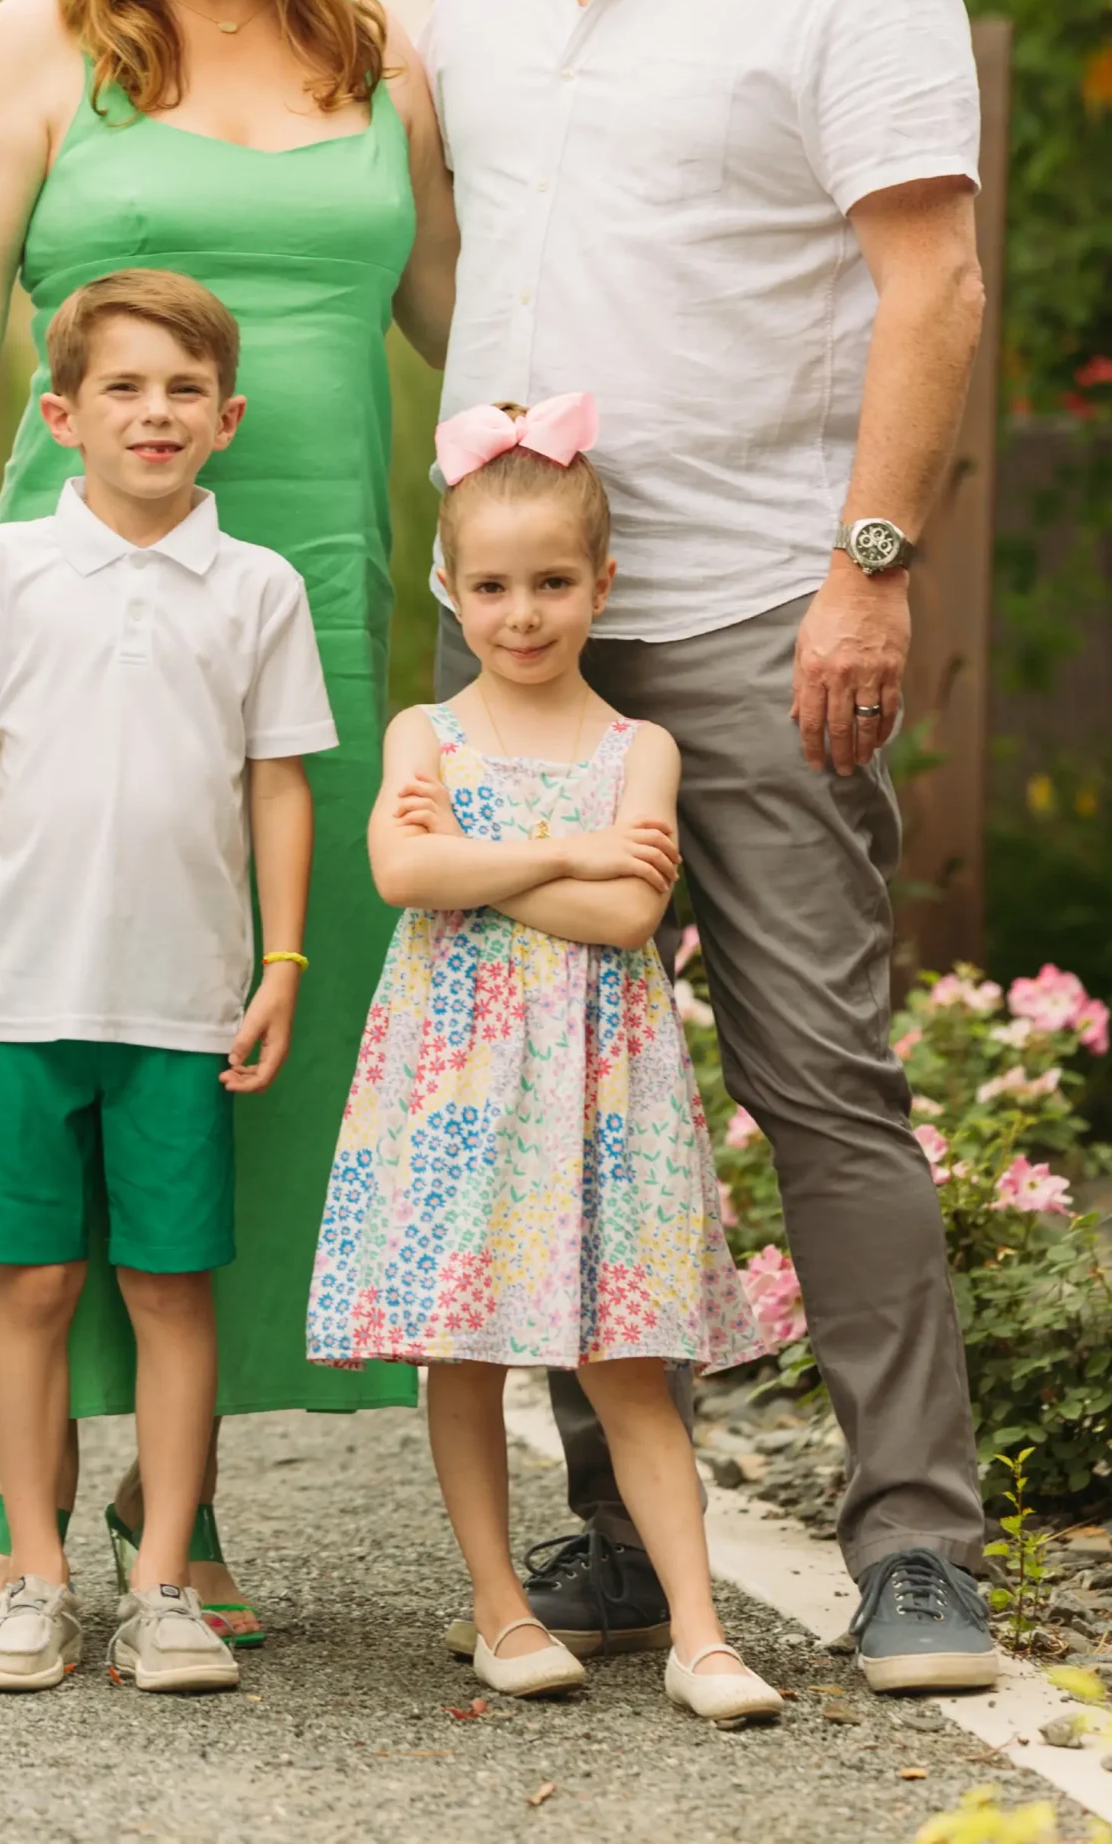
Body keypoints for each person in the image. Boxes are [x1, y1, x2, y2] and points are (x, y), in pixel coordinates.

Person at [424, 0, 998, 1693]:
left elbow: (925, 281)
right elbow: (470, 244)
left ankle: (914, 1549)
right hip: (524, 646)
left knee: (818, 1077)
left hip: (758, 601)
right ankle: (605, 1529)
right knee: (560, 1089)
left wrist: (868, 560)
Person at [0, 0, 457, 1642]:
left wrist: (522, 530)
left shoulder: (380, 58)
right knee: (70, 1010)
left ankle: (182, 1502)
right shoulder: (38, 45)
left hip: (309, 588)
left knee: (254, 1039)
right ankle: (25, 1497)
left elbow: (455, 319)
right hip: (86, 606)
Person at [308, 398, 777, 1724]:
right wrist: (569, 851)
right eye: (496, 587)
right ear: (452, 591)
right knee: (460, 1353)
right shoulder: (424, 735)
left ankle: (697, 1630)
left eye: (554, 584)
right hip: (458, 1094)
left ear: (600, 585)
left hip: (602, 1099)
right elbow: (403, 870)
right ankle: (498, 1605)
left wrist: (485, 866)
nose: (524, 615)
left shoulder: (642, 749)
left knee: (630, 1364)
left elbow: (626, 917)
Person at [0, 269, 335, 1694]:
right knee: (29, 1282)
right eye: (122, 389)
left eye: (180, 391)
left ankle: (161, 1587)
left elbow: (279, 788)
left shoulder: (259, 589)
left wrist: (281, 962)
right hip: (20, 998)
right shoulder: (5, 574)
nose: (153, 413)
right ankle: (30, 1577)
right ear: (62, 414)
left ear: (226, 417)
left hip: (183, 1008)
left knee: (168, 1287)